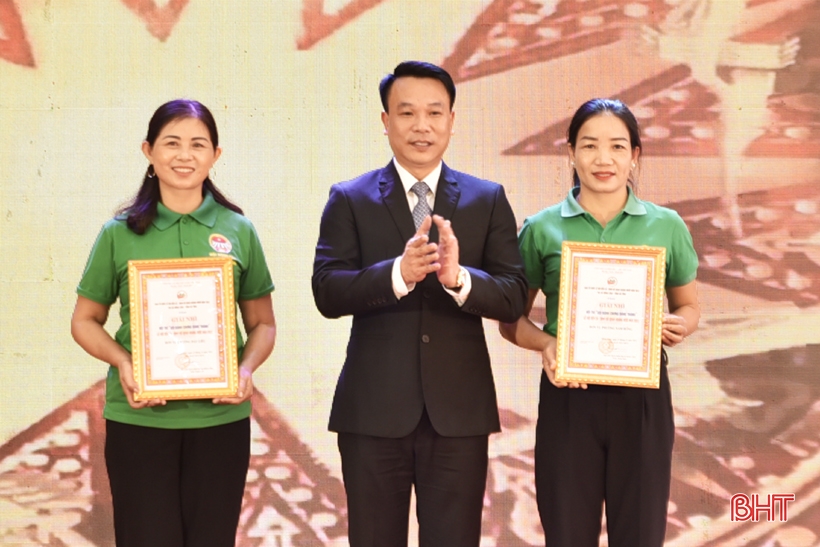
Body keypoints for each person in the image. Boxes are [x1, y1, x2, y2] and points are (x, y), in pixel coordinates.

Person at [312, 61, 528, 547]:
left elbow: (514, 294)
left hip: (458, 413)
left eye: (434, 112)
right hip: (372, 411)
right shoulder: (350, 198)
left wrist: (458, 279)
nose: (421, 125)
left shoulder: (485, 198)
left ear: (452, 119)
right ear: (385, 120)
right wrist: (396, 274)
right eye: (406, 112)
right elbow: (326, 290)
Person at [70, 99, 277, 547]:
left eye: (198, 144)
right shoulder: (118, 233)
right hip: (139, 420)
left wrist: (243, 371)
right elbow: (85, 321)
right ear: (148, 150)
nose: (185, 155)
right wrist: (124, 362)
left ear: (215, 155)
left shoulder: (238, 230)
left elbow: (263, 324)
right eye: (172, 143)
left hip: (220, 421)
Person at [499, 98, 700, 547]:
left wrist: (681, 325)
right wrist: (546, 345)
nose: (603, 159)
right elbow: (510, 320)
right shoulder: (541, 229)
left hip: (643, 400)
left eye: (617, 146)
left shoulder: (667, 226)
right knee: (568, 533)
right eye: (589, 146)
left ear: (635, 155)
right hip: (569, 399)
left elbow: (689, 306)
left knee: (641, 534)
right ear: (570, 153)